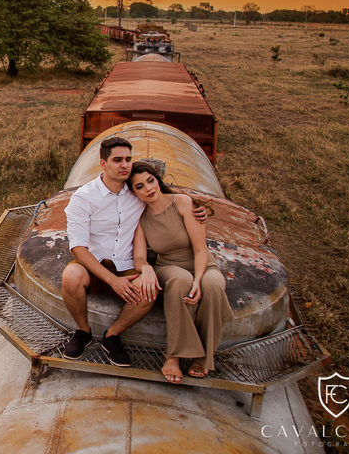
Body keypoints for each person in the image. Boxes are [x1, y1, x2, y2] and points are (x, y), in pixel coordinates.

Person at [61, 137, 206, 364]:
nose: (124, 165)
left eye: (128, 159)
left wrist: (204, 209)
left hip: (127, 264)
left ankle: (113, 335)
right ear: (103, 164)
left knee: (149, 289)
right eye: (117, 160)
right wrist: (112, 281)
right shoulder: (83, 198)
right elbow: (78, 248)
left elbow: (166, 197)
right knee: (71, 276)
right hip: (95, 263)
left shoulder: (136, 191)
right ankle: (83, 331)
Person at [127, 161, 233, 383]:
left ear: (157, 180)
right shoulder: (140, 218)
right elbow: (139, 257)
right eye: (139, 186)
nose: (148, 188)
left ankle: (204, 356)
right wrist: (145, 268)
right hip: (168, 266)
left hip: (201, 262)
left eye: (150, 181)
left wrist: (199, 280)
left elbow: (200, 249)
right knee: (180, 280)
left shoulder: (183, 202)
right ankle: (174, 356)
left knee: (213, 285)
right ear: (134, 192)